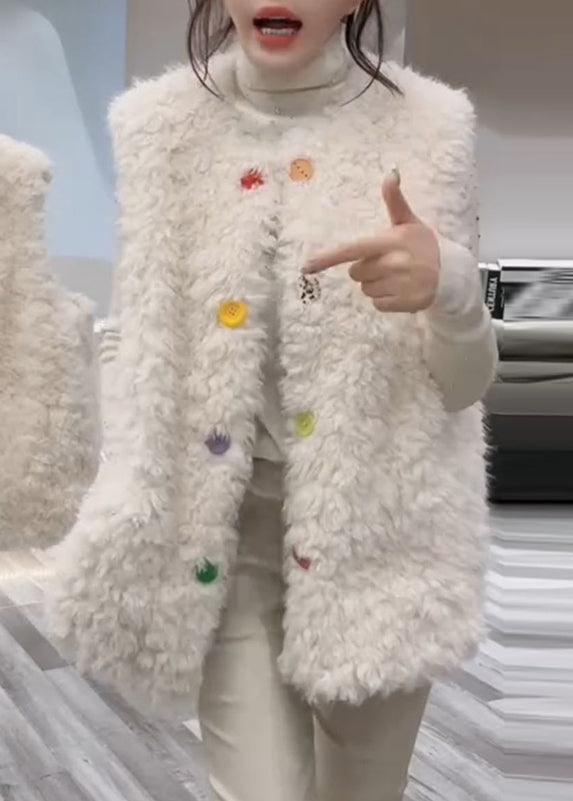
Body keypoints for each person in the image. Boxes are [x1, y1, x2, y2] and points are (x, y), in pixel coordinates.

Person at [47, 2, 498, 800]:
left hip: (383, 538)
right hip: (225, 542)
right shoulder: (159, 128)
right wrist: (126, 472)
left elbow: (463, 387)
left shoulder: (431, 128)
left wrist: (450, 289)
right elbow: (138, 333)